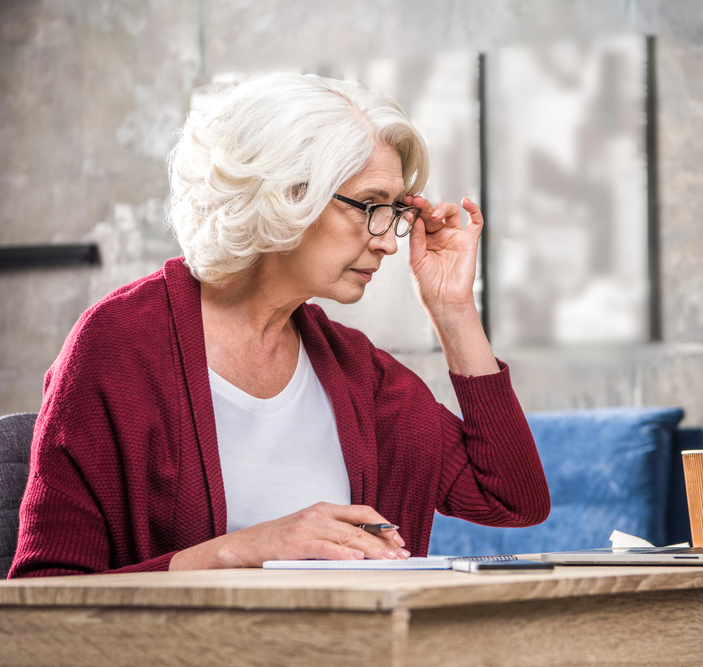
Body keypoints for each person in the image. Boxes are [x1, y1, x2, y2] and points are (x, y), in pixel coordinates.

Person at [9, 73, 549, 577]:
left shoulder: (355, 369)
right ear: (286, 195)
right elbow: (43, 594)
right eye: (368, 206)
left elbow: (513, 498)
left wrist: (452, 308)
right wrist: (237, 552)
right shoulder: (119, 345)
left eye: (395, 211)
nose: (388, 239)